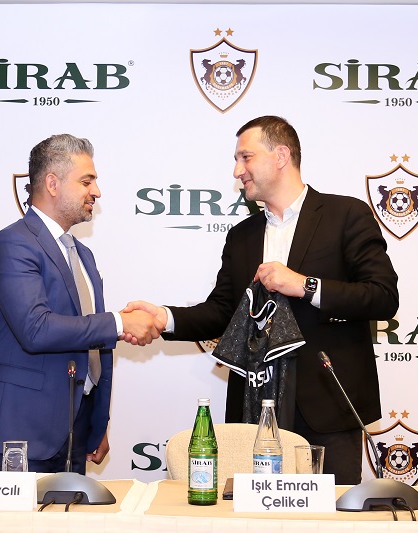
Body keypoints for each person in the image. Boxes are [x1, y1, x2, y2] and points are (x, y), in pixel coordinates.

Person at [126, 116, 398, 484]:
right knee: (252, 512)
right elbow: (222, 311)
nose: (237, 171)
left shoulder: (346, 215)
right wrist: (164, 318)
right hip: (254, 408)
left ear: (281, 156)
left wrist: (305, 285)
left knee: (330, 513)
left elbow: (383, 296)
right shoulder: (242, 235)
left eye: (246, 157)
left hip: (327, 409)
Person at [0, 134, 162, 474]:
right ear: (52, 184)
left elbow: (91, 345)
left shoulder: (82, 255)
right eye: (86, 181)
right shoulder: (12, 244)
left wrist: (97, 421)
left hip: (76, 434)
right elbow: (36, 329)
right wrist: (119, 323)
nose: (97, 192)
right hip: (21, 435)